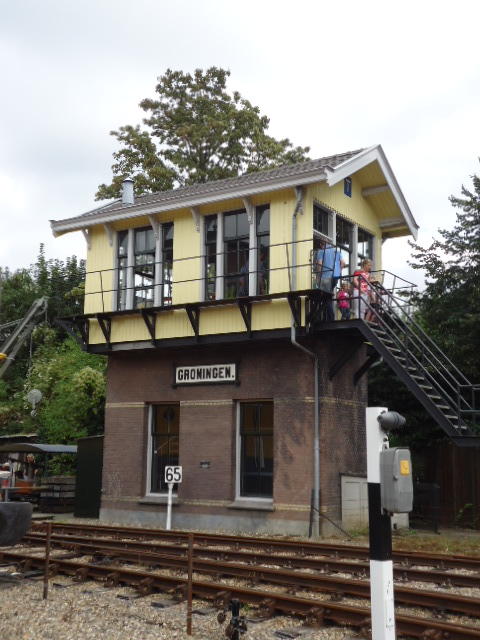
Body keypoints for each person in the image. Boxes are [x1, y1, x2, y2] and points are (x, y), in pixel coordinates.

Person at [315, 241, 345, 321]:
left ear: (321, 244)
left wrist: (318, 276)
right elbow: (343, 263)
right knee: (327, 296)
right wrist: (338, 272)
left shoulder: (321, 251)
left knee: (325, 297)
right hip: (335, 277)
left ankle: (330, 318)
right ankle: (326, 317)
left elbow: (320, 264)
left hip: (325, 277)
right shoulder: (337, 251)